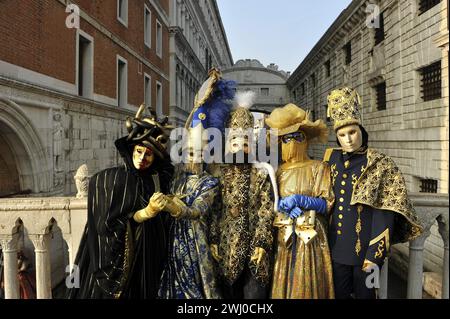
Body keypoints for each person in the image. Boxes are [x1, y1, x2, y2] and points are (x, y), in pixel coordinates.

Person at [325, 87, 423, 299]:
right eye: (342, 135)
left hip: (367, 255)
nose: (348, 139)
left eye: (352, 132)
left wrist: (374, 256)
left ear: (361, 130)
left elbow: (386, 213)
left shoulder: (381, 164)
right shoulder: (331, 161)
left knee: (369, 296)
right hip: (336, 253)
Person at [67, 106, 173, 299]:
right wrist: (145, 213)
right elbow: (105, 226)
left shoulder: (157, 179)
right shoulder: (111, 180)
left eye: (148, 154)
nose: (141, 158)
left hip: (149, 254)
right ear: (131, 150)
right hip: (121, 259)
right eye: (138, 151)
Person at [158, 69, 234, 299]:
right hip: (174, 241)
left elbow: (198, 210)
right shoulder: (177, 178)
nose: (194, 158)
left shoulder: (210, 182)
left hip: (196, 242)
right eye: (191, 152)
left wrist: (175, 207)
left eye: (199, 153)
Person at [210, 91, 275, 299]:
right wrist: (213, 238)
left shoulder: (260, 173)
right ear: (228, 144)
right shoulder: (218, 173)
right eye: (235, 143)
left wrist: (262, 243)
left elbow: (266, 210)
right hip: (226, 247)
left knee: (254, 295)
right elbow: (215, 209)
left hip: (254, 252)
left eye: (245, 144)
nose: (240, 148)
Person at [266, 103, 335, 299]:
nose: (294, 142)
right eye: (288, 138)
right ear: (281, 141)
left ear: (306, 140)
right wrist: (283, 207)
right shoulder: (278, 171)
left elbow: (327, 203)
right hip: (284, 234)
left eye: (299, 137)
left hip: (312, 236)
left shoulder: (319, 167)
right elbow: (270, 203)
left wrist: (302, 201)